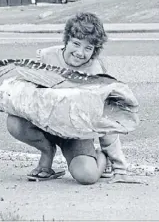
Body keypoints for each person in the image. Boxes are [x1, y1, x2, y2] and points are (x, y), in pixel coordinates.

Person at [7, 12, 127, 184]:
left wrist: (119, 167)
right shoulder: (45, 57)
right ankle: (47, 154)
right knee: (14, 122)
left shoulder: (95, 72)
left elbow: (103, 119)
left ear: (95, 50)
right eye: (76, 44)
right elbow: (25, 93)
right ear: (67, 40)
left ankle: (102, 158)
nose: (80, 52)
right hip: (45, 124)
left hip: (75, 133)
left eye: (88, 48)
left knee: (87, 176)